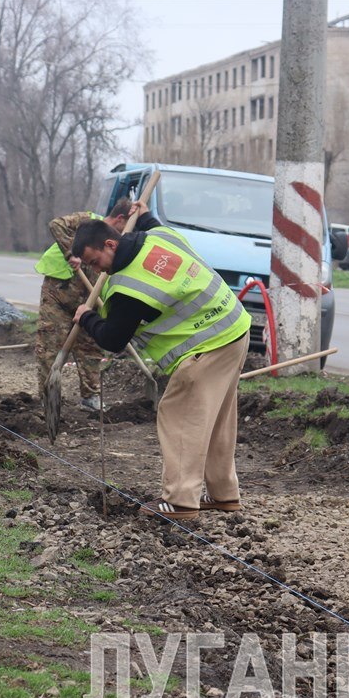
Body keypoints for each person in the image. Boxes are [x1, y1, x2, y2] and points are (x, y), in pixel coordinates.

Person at [69, 217, 251, 521]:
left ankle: (180, 500)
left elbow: (112, 339)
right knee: (218, 417)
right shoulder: (160, 236)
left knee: (178, 416)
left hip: (205, 347)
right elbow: (149, 221)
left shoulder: (128, 288)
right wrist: (137, 212)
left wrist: (86, 317)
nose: (96, 270)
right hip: (235, 327)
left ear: (111, 244)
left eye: (95, 260)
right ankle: (223, 494)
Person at [35, 199, 135, 413]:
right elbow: (56, 224)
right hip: (58, 295)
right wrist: (71, 252)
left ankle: (90, 397)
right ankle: (48, 400)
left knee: (90, 347)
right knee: (50, 346)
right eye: (126, 226)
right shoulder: (88, 221)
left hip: (88, 300)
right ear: (120, 219)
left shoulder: (113, 246)